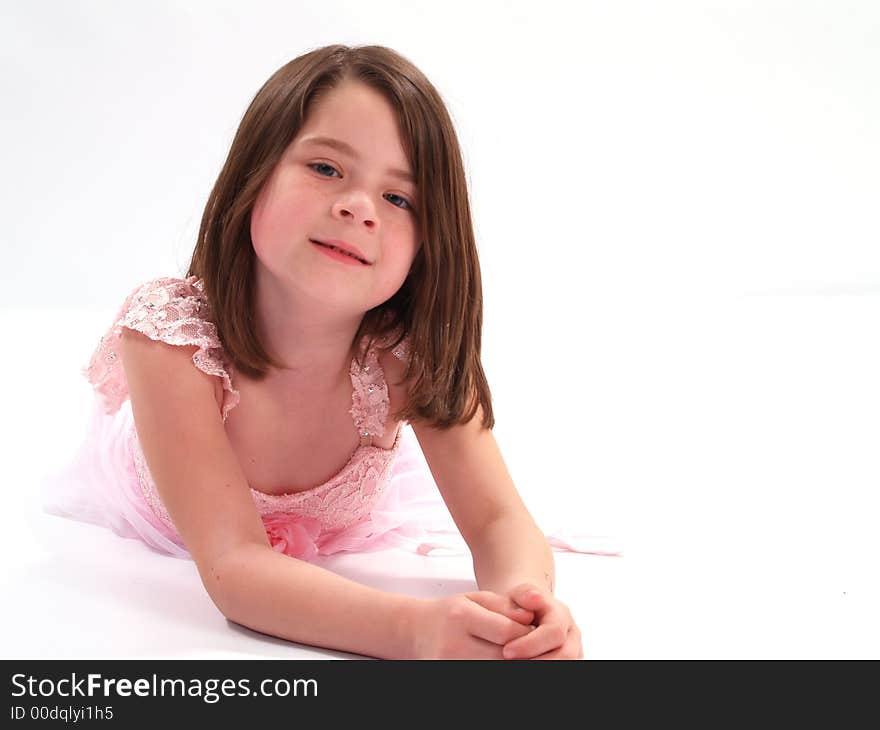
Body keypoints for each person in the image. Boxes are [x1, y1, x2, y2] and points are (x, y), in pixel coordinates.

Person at [41, 44, 614, 660]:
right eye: (325, 168)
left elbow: (498, 519)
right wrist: (418, 630)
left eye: (400, 200)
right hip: (189, 514)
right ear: (254, 173)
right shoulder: (170, 340)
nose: (358, 208)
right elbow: (236, 567)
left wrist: (524, 610)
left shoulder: (407, 353)